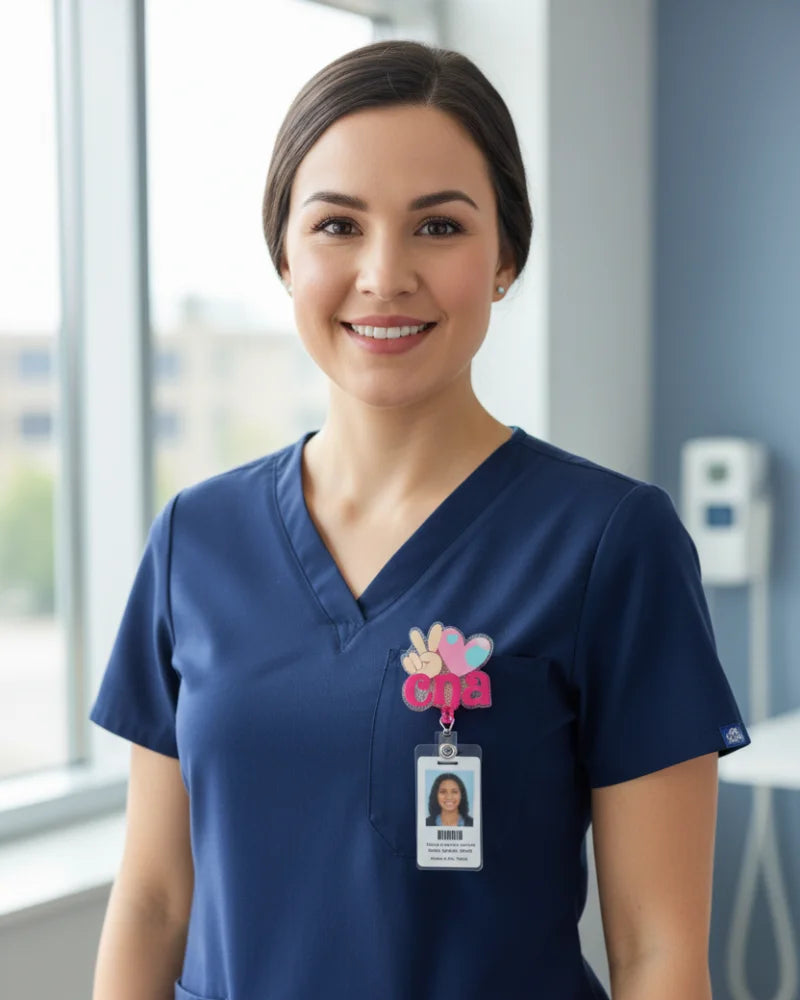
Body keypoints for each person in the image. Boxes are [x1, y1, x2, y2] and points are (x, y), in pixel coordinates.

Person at [89, 39, 752, 1000]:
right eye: (338, 226)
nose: (384, 274)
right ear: (284, 252)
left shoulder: (610, 543)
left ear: (506, 258)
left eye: (438, 227)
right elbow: (153, 901)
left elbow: (657, 949)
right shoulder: (198, 539)